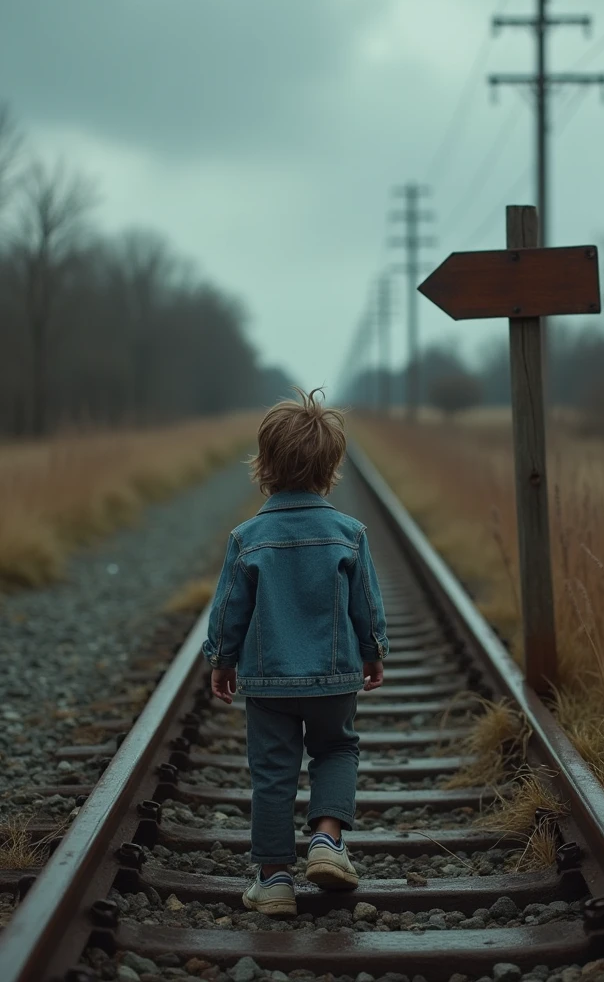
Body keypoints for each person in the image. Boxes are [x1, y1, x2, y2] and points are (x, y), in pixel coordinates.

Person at [202, 388, 388, 916]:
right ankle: (327, 842)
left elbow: (228, 610)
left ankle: (275, 878)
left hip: (269, 680)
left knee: (273, 772)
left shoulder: (248, 537)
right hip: (333, 679)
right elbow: (367, 605)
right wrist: (373, 654)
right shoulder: (349, 533)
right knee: (336, 749)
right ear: (332, 466)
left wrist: (222, 660)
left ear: (263, 464)